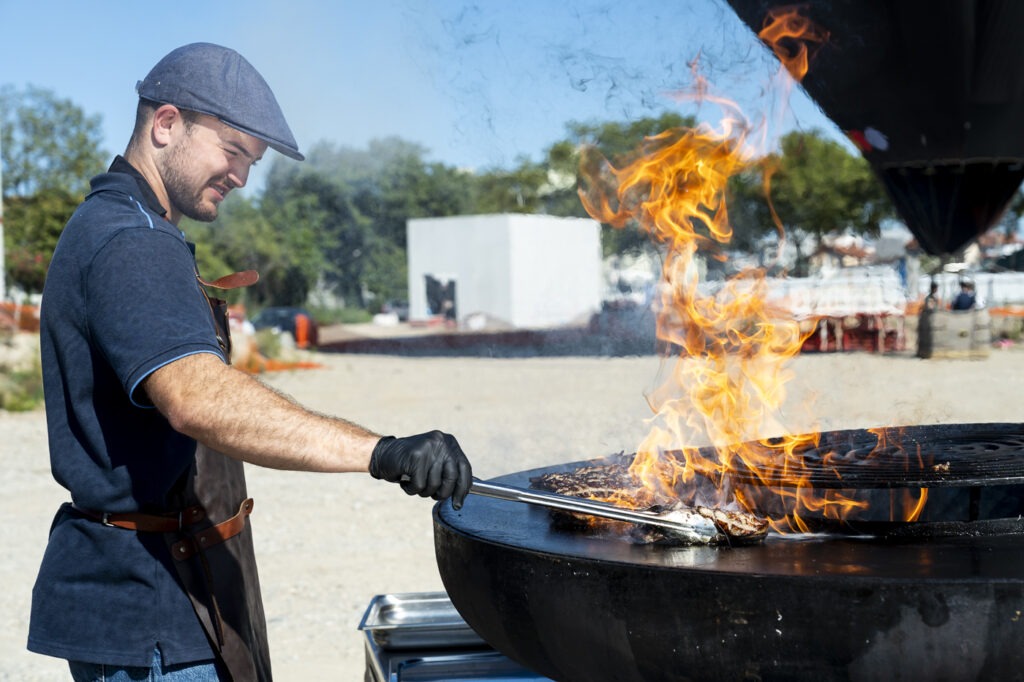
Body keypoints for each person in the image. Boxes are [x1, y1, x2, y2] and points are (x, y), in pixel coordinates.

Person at [27, 43, 472, 682]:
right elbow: (199, 398)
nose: (240, 176)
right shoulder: (132, 241)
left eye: (251, 162)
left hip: (156, 586)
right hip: (151, 607)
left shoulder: (120, 224)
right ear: (166, 124)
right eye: (232, 150)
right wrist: (384, 451)